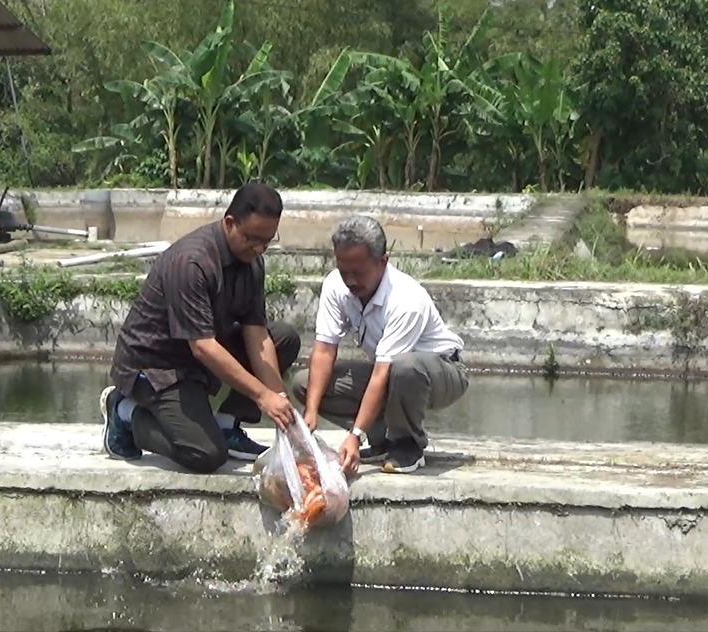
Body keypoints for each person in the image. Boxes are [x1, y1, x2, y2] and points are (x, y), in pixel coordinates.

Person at [100, 182, 301, 474]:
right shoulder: (192, 262)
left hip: (199, 357)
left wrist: (280, 402)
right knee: (205, 454)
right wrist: (262, 396)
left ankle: (226, 424)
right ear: (229, 222)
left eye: (267, 241)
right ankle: (125, 414)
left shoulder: (252, 261)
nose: (259, 248)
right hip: (158, 367)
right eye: (252, 238)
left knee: (282, 338)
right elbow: (203, 346)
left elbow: (255, 331)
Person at [292, 214, 469, 476]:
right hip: (389, 373)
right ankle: (383, 439)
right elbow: (325, 349)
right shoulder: (335, 285)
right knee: (304, 384)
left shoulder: (406, 299)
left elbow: (382, 373)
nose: (350, 281)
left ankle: (408, 443)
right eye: (344, 271)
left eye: (359, 272)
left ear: (383, 262)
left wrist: (354, 435)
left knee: (405, 367)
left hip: (440, 372)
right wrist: (310, 413)